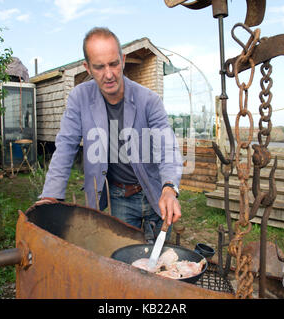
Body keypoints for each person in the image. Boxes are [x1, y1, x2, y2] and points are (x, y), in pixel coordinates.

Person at [38, 27, 182, 242]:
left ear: (123, 60)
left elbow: (167, 147)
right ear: (87, 67)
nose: (109, 74)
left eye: (114, 64)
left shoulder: (149, 100)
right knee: (123, 258)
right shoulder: (79, 98)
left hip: (155, 192)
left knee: (159, 261)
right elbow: (66, 145)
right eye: (99, 67)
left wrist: (169, 188)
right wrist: (51, 194)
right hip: (119, 196)